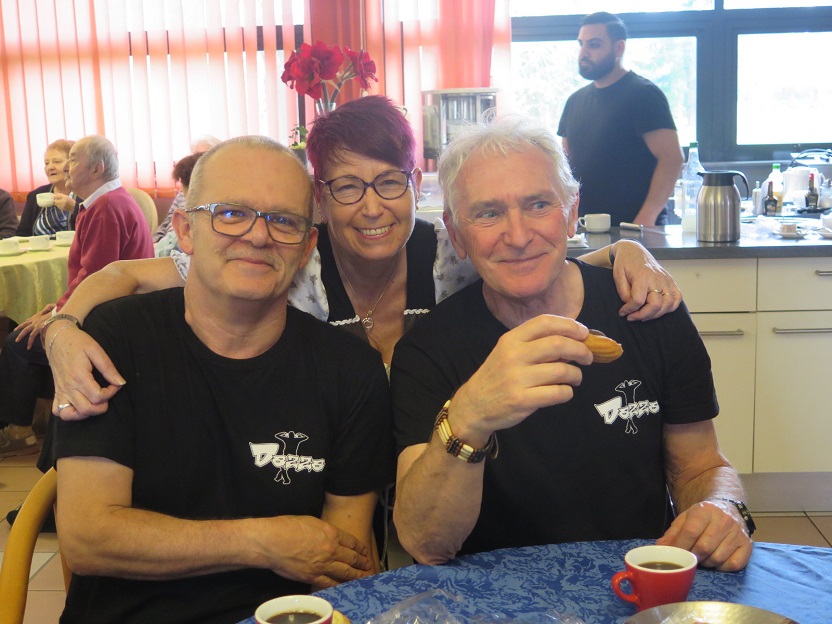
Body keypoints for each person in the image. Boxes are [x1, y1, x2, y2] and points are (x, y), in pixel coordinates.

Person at [42, 96, 681, 423]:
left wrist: (628, 250)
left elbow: (537, 253)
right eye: (347, 186)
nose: (371, 208)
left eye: (389, 182)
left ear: (415, 185)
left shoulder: (451, 252)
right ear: (320, 198)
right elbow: (125, 274)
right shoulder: (288, 262)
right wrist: (64, 329)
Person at [53, 136, 394, 624]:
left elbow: (343, 561)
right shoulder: (115, 339)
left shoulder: (350, 370)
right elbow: (88, 538)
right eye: (231, 213)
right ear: (185, 230)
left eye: (284, 221)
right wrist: (264, 542)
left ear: (306, 248)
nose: (258, 236)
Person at [391, 115, 753, 573]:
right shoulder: (427, 351)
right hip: (494, 595)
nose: (519, 236)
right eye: (488, 213)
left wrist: (724, 507)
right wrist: (468, 417)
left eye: (539, 204)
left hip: (636, 582)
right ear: (456, 232)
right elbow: (426, 543)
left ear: (572, 211)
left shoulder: (647, 311)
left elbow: (700, 467)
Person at [0, 135, 153, 458]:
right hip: (111, 306)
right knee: (31, 330)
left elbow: (96, 277)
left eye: (72, 159)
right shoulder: (104, 201)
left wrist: (59, 316)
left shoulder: (106, 207)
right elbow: (89, 275)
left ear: (96, 169)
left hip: (114, 316)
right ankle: (45, 421)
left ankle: (20, 432)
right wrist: (56, 308)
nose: (66, 167)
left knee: (18, 342)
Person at [557, 12, 683, 226]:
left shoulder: (644, 94)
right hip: (585, 229)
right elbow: (564, 165)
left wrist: (645, 219)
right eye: (581, 44)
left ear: (619, 48)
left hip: (635, 230)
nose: (584, 53)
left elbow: (672, 159)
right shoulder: (575, 101)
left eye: (594, 45)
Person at [153, 135, 221, 245]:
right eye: (195, 156)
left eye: (203, 156)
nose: (197, 161)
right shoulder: (183, 190)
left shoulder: (217, 195)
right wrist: (155, 242)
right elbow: (167, 222)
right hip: (165, 245)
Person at [15, 139, 82, 237]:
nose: (50, 167)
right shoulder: (35, 195)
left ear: (73, 164)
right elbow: (22, 234)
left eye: (57, 162)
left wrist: (75, 208)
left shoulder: (87, 193)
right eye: (47, 163)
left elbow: (95, 226)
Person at [153, 151, 205, 257]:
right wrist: (154, 242)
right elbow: (167, 221)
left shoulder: (197, 218)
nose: (181, 188)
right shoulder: (181, 194)